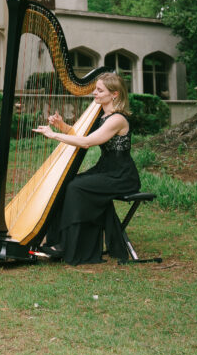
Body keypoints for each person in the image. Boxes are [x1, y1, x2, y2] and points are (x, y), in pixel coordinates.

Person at [32, 72, 141, 265]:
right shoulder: (102, 114)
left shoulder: (117, 119)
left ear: (114, 94)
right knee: (67, 184)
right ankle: (55, 240)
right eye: (95, 90)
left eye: (100, 90)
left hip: (121, 175)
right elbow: (81, 134)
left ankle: (67, 245)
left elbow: (86, 142)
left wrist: (54, 135)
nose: (95, 94)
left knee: (76, 187)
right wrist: (61, 126)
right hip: (104, 170)